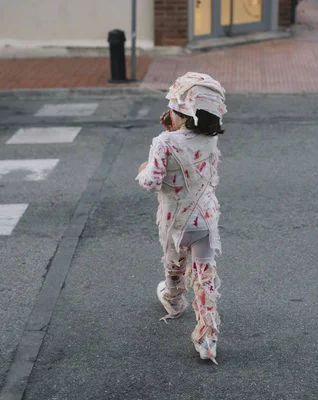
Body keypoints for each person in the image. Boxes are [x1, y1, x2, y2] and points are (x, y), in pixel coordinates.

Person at [136, 72, 226, 364]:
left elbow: (152, 181)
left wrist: (143, 168)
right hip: (206, 218)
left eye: (173, 109)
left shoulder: (163, 142)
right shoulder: (209, 140)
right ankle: (208, 339)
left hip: (176, 220)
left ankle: (174, 299)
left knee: (175, 263)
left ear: (182, 111)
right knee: (205, 276)